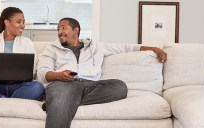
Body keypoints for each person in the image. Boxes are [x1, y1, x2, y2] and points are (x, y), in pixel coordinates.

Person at [37, 17, 167, 128]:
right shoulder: (51, 49)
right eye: (58, 29)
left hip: (90, 86)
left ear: (76, 30)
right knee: (63, 92)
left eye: (63, 28)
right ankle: (58, 99)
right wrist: (59, 76)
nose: (59, 32)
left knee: (119, 86)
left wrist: (155, 49)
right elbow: (43, 73)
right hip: (63, 83)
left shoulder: (96, 47)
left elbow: (127, 48)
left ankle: (55, 102)